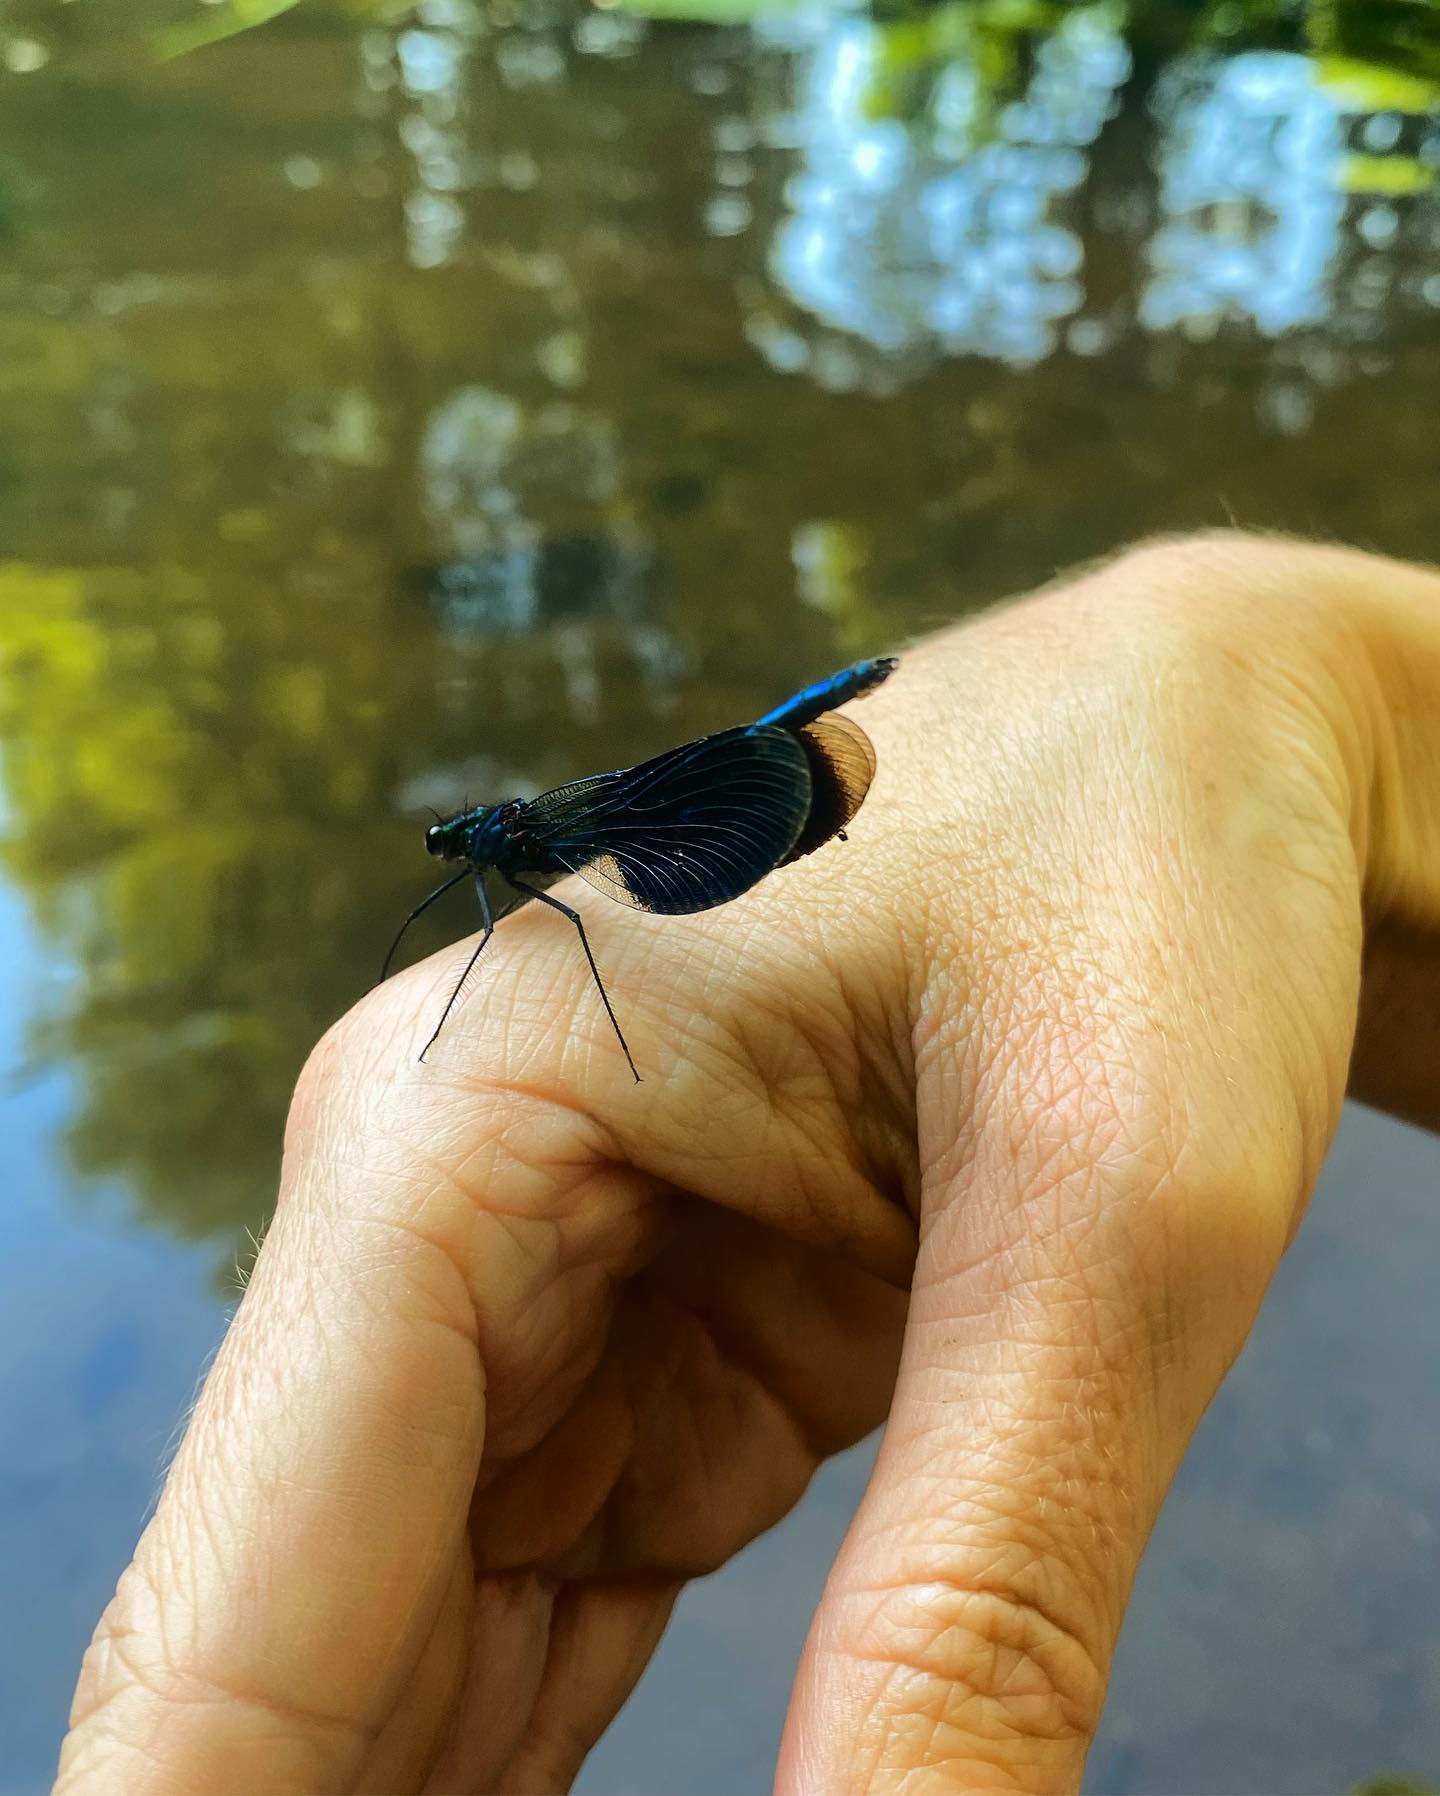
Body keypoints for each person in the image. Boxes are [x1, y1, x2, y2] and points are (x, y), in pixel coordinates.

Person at [53, 533, 1440, 1796]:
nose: (456, 862)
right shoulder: (509, 854)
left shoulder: (528, 852)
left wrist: (1288, 711)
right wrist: (1295, 697)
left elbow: (568, 924)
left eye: (456, 854)